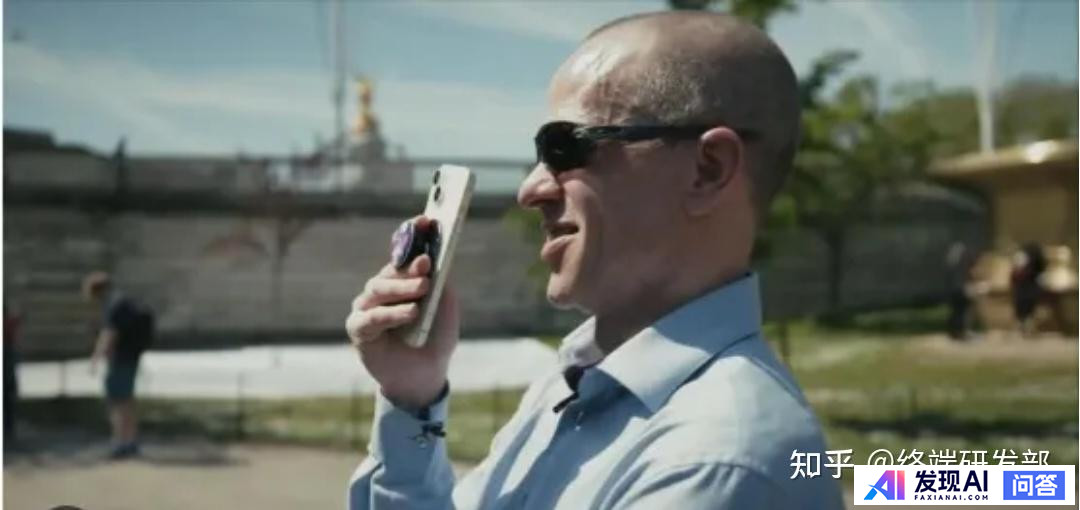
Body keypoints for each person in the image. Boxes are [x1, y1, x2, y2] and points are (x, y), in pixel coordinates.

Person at [345, 11, 843, 509]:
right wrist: (412, 397)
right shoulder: (575, 384)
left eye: (566, 148)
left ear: (707, 170)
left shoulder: (715, 463)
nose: (530, 190)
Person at [82, 271, 155, 459]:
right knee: (128, 401)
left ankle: (119, 442)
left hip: (119, 358)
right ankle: (131, 441)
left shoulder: (112, 306)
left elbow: (109, 334)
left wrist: (95, 359)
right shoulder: (125, 302)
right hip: (132, 356)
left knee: (116, 402)